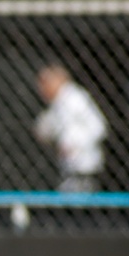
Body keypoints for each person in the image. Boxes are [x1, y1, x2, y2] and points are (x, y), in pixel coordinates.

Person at [34, 64, 108, 192]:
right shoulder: (58, 102)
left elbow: (99, 127)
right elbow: (49, 127)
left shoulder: (75, 98)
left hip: (84, 166)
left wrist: (74, 144)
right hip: (69, 168)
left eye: (44, 84)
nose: (41, 90)